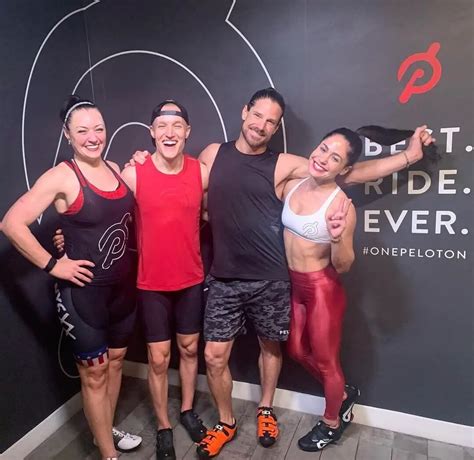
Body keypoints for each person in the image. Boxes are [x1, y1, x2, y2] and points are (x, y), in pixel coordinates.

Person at [193, 88, 434, 458]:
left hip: (285, 280)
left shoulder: (291, 170)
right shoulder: (219, 156)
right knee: (238, 354)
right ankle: (230, 422)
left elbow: (350, 176)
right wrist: (145, 163)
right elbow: (182, 185)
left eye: (271, 121)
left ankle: (292, 413)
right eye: (257, 116)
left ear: (276, 128)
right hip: (241, 277)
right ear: (244, 112)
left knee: (286, 352)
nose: (261, 125)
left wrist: (408, 156)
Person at [1, 95, 142, 460]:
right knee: (94, 375)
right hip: (84, 296)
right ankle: (108, 455)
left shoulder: (114, 168)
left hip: (122, 291)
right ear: (67, 134)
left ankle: (103, 433)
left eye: (99, 128)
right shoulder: (62, 176)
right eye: (82, 131)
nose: (93, 137)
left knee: (115, 363)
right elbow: (12, 223)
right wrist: (53, 265)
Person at [282, 126, 427, 451]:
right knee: (296, 351)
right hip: (293, 285)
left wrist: (336, 238)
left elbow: (344, 264)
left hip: (322, 289)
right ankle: (344, 393)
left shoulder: (341, 206)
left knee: (327, 362)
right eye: (323, 149)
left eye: (334, 158)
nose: (323, 159)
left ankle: (332, 423)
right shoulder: (293, 183)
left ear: (344, 169)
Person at [121, 100, 210, 459]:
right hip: (151, 283)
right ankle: (163, 425)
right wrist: (65, 237)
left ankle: (187, 410)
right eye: (162, 125)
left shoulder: (201, 172)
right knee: (158, 359)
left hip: (190, 278)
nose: (169, 133)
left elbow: (225, 209)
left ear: (187, 132)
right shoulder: (134, 174)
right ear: (152, 132)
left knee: (189, 349)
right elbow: (102, 213)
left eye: (176, 126)